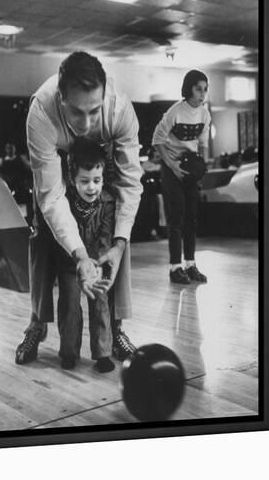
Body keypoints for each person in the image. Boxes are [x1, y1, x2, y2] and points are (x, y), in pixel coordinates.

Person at [15, 51, 143, 365]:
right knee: (42, 233)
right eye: (76, 112)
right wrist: (80, 255)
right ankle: (37, 324)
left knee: (116, 237)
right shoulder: (41, 112)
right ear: (61, 98)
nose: (85, 124)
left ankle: (115, 330)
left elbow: (130, 184)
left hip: (98, 167)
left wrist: (119, 243)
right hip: (60, 174)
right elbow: (52, 198)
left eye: (94, 111)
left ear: (104, 97)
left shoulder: (120, 110)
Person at [56, 138, 116, 373]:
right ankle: (69, 352)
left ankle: (102, 353)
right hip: (70, 263)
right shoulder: (65, 202)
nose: (92, 187)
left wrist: (98, 264)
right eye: (85, 181)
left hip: (97, 263)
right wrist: (78, 261)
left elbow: (106, 236)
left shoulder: (108, 202)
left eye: (97, 181)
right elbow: (61, 233)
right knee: (70, 304)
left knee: (100, 301)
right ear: (72, 180)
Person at [152, 69, 211, 284]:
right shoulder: (174, 112)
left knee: (191, 218)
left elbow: (203, 145)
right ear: (188, 89)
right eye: (198, 89)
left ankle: (190, 265)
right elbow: (157, 140)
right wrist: (171, 165)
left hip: (190, 167)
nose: (202, 94)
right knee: (175, 217)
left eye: (205, 89)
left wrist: (201, 169)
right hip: (171, 167)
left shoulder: (205, 114)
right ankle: (175, 268)